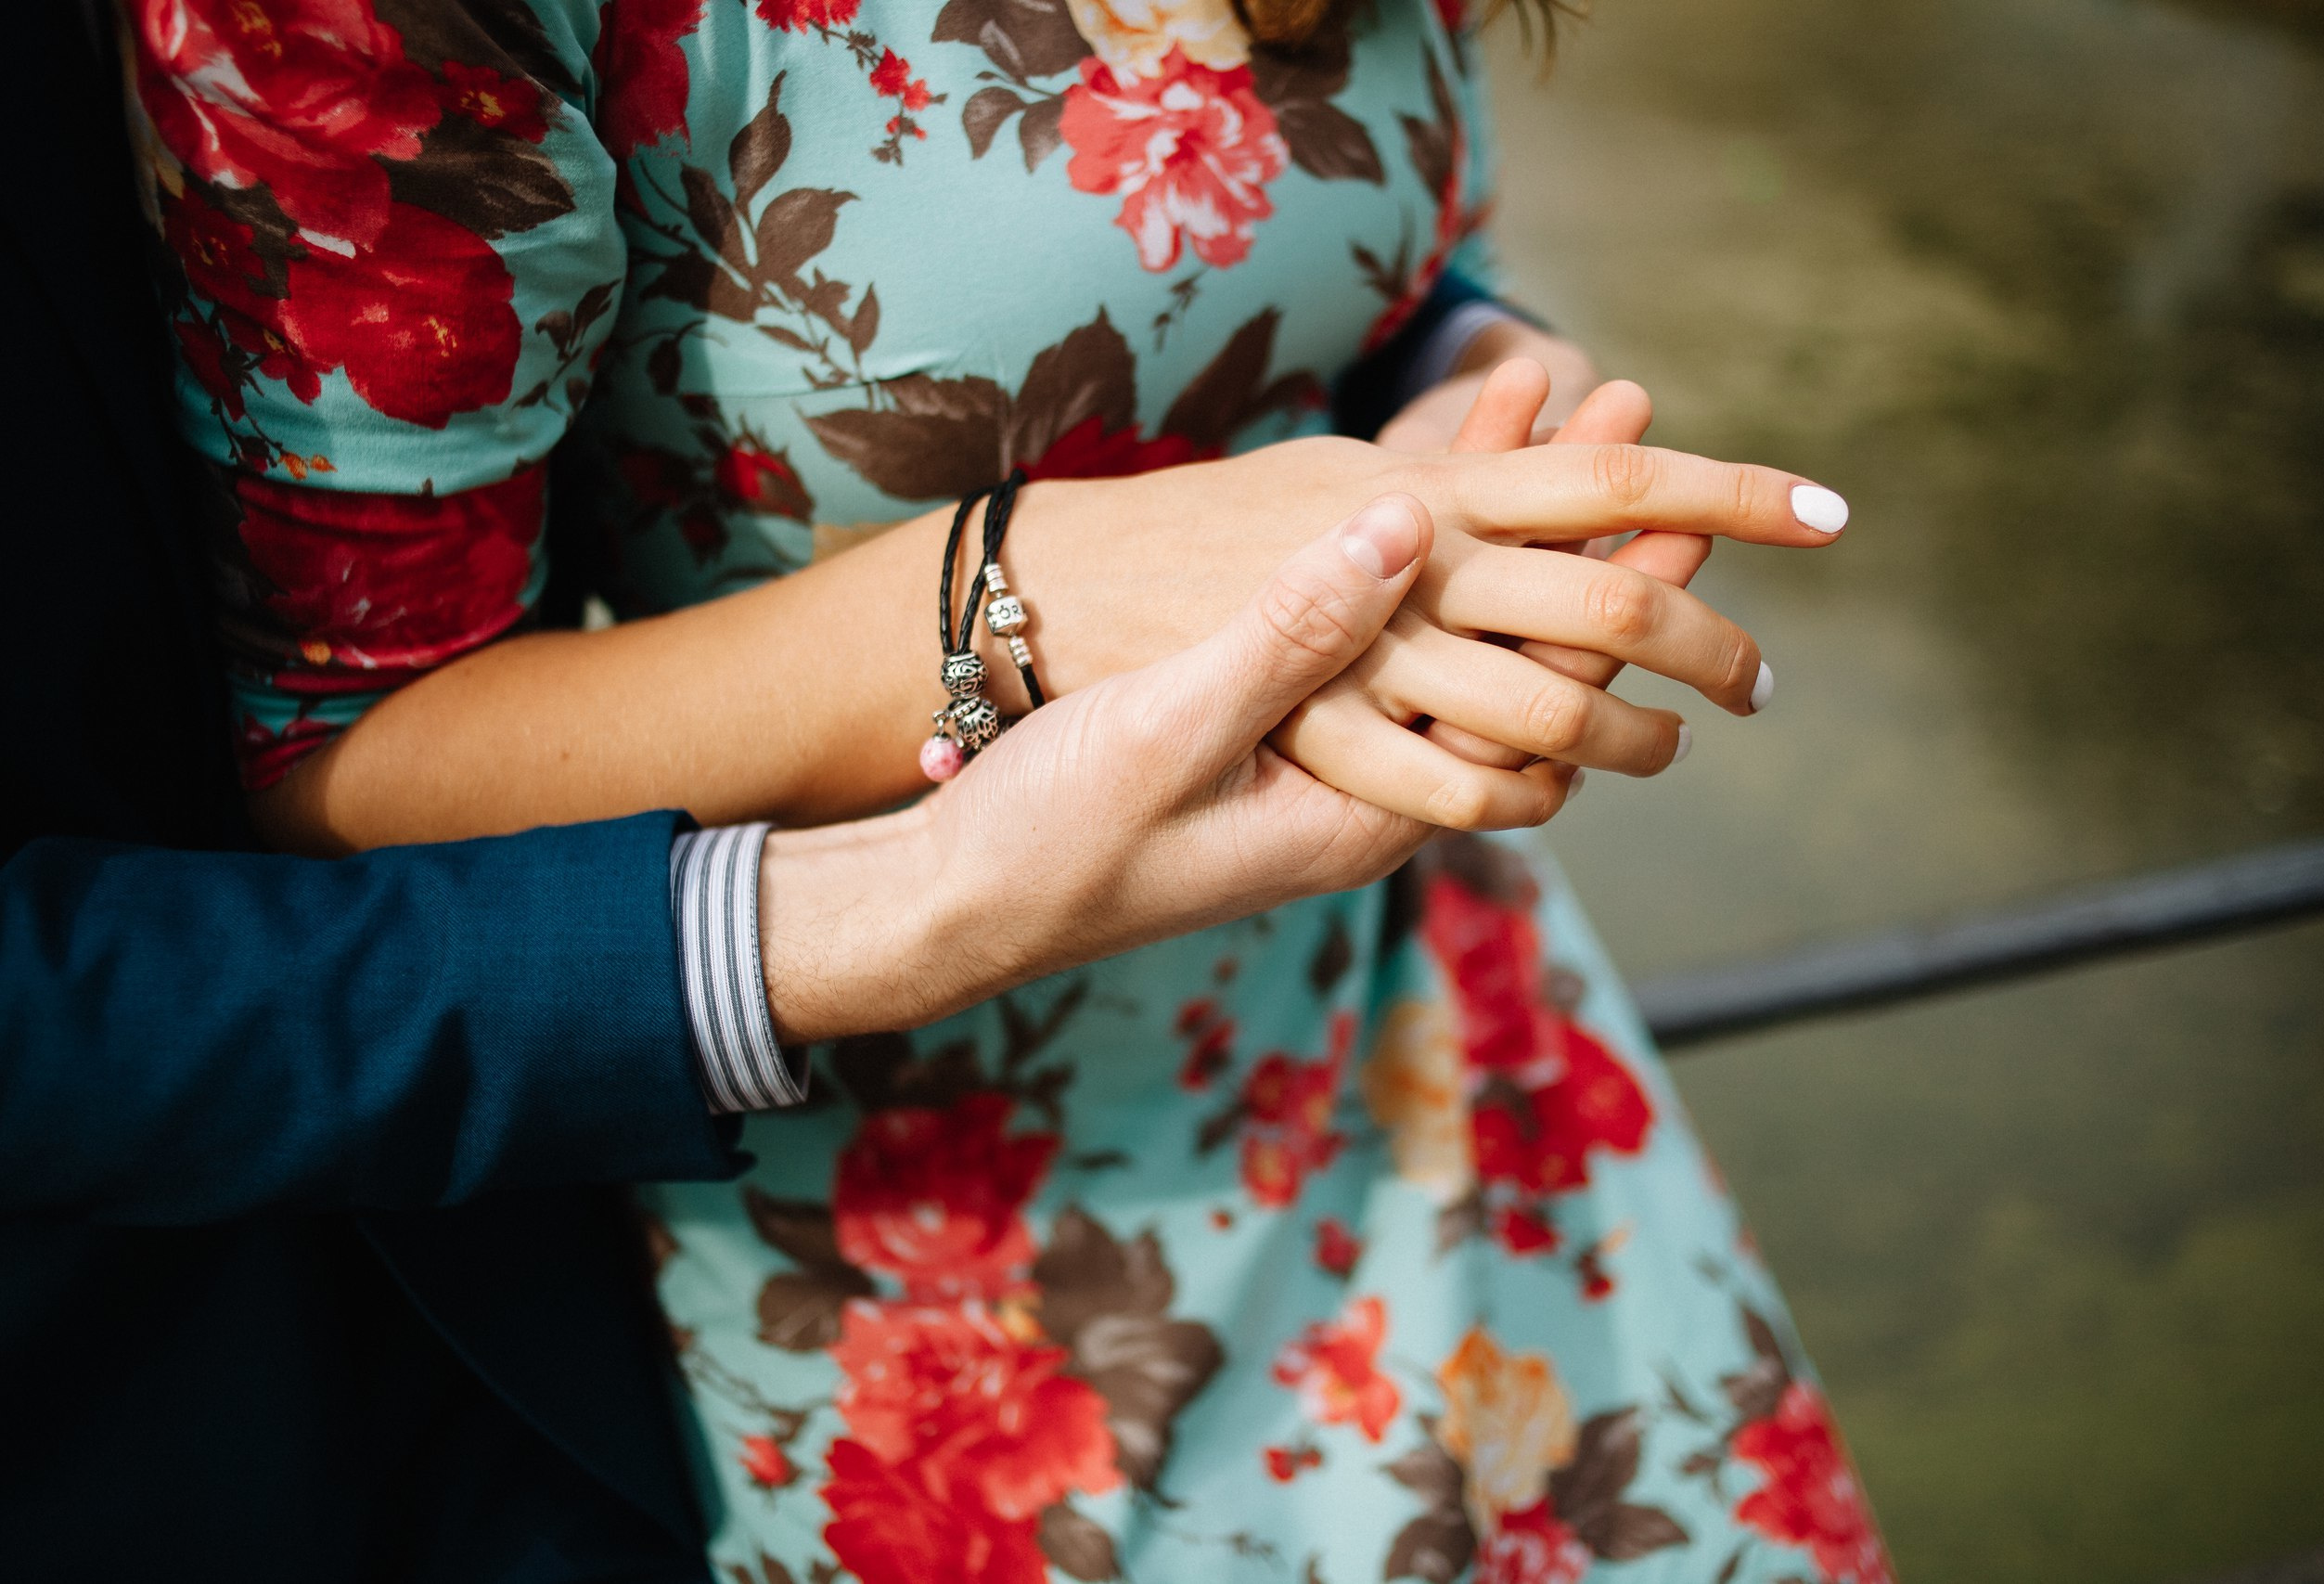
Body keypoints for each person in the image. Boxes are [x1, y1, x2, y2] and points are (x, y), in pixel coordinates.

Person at [117, 0, 1895, 1580]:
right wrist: (1011, 590)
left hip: (1445, 1045)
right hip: (917, 1216)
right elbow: (341, 759)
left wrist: (1484, 405)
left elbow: (1393, 274)